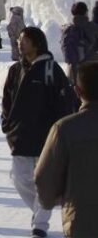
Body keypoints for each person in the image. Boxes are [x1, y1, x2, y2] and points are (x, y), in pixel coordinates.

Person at [2, 26, 76, 238]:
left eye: (24, 40)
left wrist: (61, 132)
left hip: (46, 138)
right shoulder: (15, 70)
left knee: (45, 182)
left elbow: (65, 102)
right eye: (19, 41)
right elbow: (6, 101)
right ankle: (40, 211)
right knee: (19, 178)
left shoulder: (51, 69)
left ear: (37, 43)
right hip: (20, 137)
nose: (20, 43)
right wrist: (7, 126)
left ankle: (40, 225)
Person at [36, 61, 98, 238]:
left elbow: (43, 176)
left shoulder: (65, 129)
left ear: (77, 91)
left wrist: (49, 200)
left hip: (81, 220)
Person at [61, 1, 98, 82]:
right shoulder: (93, 28)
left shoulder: (67, 30)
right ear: (86, 12)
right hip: (93, 68)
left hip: (74, 71)